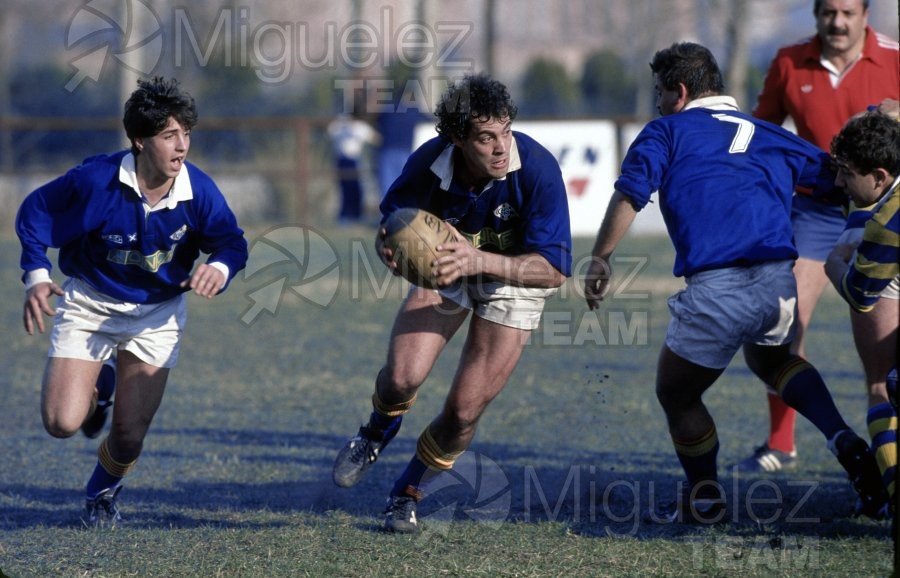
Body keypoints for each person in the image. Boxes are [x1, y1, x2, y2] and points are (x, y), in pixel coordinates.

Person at [582, 42, 887, 523]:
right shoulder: (768, 132)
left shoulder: (665, 131)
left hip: (716, 288)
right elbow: (839, 182)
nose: (658, 104)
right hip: (776, 281)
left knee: (677, 393)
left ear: (679, 92)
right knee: (774, 360)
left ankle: (704, 496)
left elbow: (630, 194)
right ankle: (841, 437)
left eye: (660, 93)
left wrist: (600, 259)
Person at [331, 73, 572, 533]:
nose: (501, 147)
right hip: (447, 269)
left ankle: (406, 493)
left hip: (515, 280)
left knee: (463, 412)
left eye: (505, 130)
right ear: (458, 139)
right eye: (486, 138)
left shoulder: (537, 168)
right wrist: (391, 246)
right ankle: (375, 433)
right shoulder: (430, 161)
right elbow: (394, 220)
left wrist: (479, 258)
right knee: (402, 378)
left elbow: (555, 269)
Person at [16, 76, 249, 527]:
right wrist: (36, 275)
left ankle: (101, 494)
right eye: (169, 136)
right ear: (139, 141)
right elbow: (36, 211)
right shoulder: (96, 180)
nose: (182, 146)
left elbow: (231, 243)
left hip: (156, 315)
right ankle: (101, 388)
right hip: (91, 304)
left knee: (128, 435)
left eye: (186, 134)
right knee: (62, 422)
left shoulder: (197, 191)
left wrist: (218, 268)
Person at [737, 0, 899, 473]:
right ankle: (781, 443)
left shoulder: (893, 58)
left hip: (886, 209)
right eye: (829, 11)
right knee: (782, 327)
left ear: (865, 15)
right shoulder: (789, 61)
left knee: (882, 363)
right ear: (816, 15)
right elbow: (759, 136)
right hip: (817, 211)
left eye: (848, 11)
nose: (838, 21)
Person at [824, 110, 898, 521]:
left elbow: (857, 293)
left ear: (881, 176)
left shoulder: (885, 225)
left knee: (882, 385)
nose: (839, 183)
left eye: (847, 173)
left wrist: (834, 261)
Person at [327, 111, 380, 224]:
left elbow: (375, 139)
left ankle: (356, 217)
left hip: (355, 160)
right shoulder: (340, 124)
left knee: (357, 189)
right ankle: (345, 218)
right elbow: (329, 131)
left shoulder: (359, 126)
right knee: (344, 190)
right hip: (342, 161)